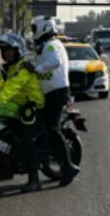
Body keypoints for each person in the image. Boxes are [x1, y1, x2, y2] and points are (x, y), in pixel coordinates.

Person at [0, 32, 45, 193]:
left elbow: (14, 86)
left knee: (26, 139)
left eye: (10, 50)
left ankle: (34, 180)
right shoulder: (8, 68)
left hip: (32, 106)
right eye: (4, 51)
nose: (7, 54)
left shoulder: (23, 66)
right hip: (18, 107)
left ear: (18, 50)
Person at [31, 16, 79, 187]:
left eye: (34, 28)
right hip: (48, 93)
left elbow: (54, 62)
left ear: (44, 28)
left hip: (56, 94)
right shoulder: (45, 45)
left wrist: (35, 69)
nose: (33, 31)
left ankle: (68, 166)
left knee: (53, 129)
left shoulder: (51, 45)